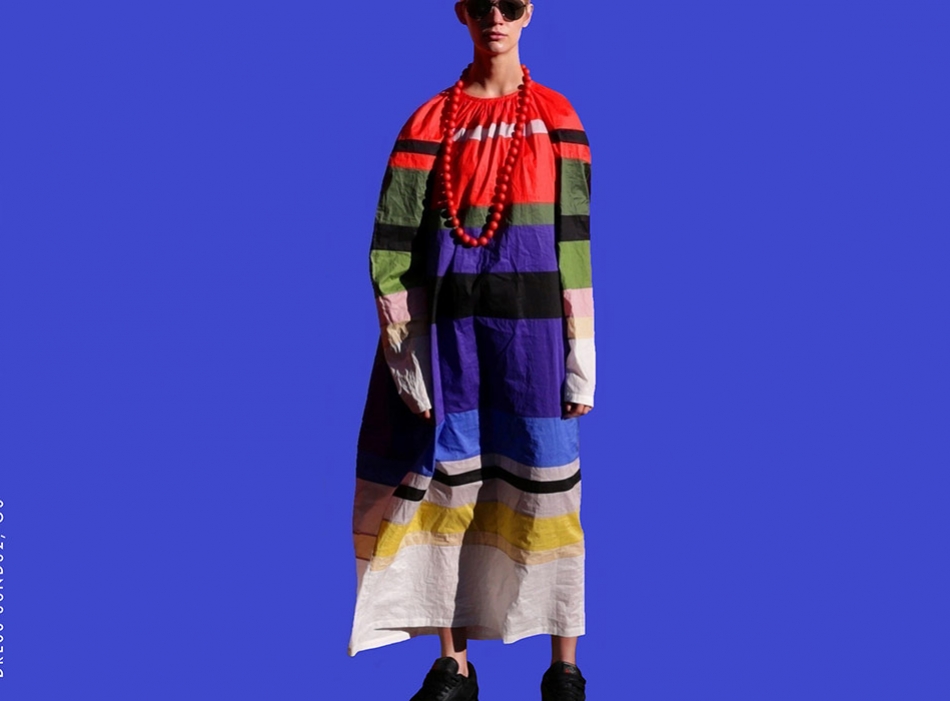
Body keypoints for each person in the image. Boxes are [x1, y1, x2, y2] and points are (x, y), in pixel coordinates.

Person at [350, 1, 595, 699]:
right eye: (481, 2)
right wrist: (406, 356)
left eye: (510, 3)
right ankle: (453, 665)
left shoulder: (557, 119)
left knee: (548, 483)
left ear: (529, 13)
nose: (496, 16)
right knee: (447, 489)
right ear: (460, 12)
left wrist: (580, 355)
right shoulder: (429, 124)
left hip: (535, 339)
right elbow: (391, 247)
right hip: (449, 339)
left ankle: (564, 667)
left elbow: (575, 243)